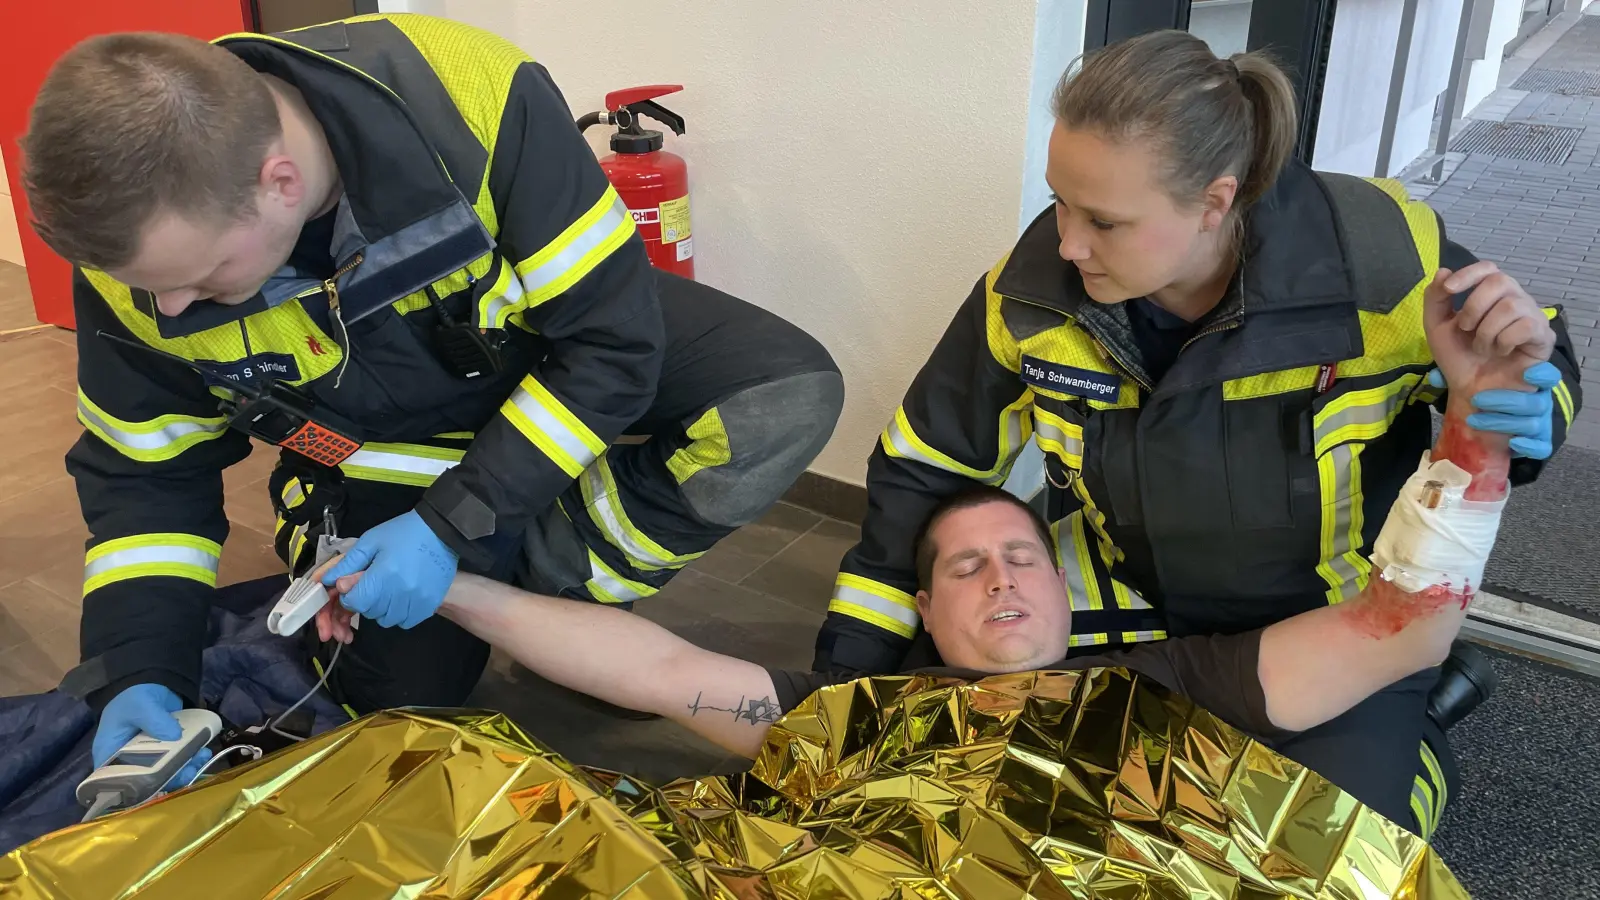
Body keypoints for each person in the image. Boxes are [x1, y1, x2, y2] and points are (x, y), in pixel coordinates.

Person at [21, 16, 842, 776]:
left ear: (279, 182)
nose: (170, 313)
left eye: (201, 281)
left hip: (530, 349)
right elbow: (146, 478)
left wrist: (454, 529)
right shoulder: (143, 250)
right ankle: (471, 583)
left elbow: (612, 343)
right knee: (401, 709)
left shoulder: (471, 102)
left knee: (781, 393)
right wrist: (137, 669)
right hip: (367, 452)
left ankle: (548, 591)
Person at [810, 30, 1583, 833]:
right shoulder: (1032, 293)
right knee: (935, 760)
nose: (1067, 243)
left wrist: (1525, 403)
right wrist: (845, 680)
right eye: (1059, 202)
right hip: (1124, 600)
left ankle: (1421, 717)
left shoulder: (1377, 265)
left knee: (1330, 842)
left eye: (1104, 221)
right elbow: (921, 469)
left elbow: (1526, 352)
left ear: (1216, 201)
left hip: (1322, 619)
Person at [321, 318, 1516, 833]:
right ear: (928, 615)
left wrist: (1469, 433)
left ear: (1061, 590)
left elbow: (1394, 636)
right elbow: (659, 671)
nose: (1000, 579)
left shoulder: (1169, 684)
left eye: (1018, 557)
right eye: (960, 568)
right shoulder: (878, 722)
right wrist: (447, 587)